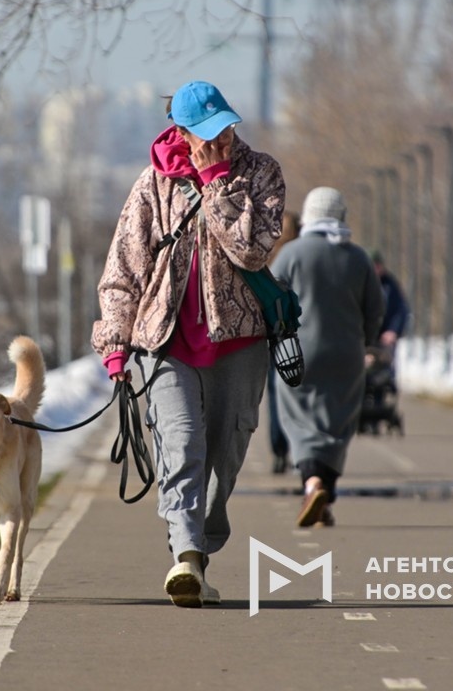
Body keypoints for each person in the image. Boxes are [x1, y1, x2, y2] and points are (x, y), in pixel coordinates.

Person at [92, 80, 286, 607]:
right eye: (204, 133)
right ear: (178, 131)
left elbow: (253, 250)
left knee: (225, 455)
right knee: (180, 447)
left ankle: (202, 541)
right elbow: (123, 268)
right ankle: (186, 559)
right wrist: (115, 340)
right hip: (167, 343)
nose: (218, 139)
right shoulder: (152, 184)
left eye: (224, 128)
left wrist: (217, 182)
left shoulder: (260, 173)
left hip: (241, 341)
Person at [270, 187, 383, 528]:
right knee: (337, 422)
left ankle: (312, 483)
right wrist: (367, 340)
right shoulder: (359, 257)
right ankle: (325, 495)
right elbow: (376, 310)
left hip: (300, 352)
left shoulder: (291, 254)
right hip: (346, 353)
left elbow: (270, 297)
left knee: (299, 419)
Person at [267, 210, 301, 474]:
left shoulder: (267, 254)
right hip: (297, 333)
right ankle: (300, 447)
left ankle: (278, 450)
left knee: (275, 393)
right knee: (300, 392)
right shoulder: (300, 255)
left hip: (271, 333)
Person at [370, 250, 410, 365]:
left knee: (384, 370)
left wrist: (393, 330)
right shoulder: (359, 283)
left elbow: (400, 310)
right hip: (364, 337)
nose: (376, 269)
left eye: (378, 265)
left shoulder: (390, 285)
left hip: (384, 337)